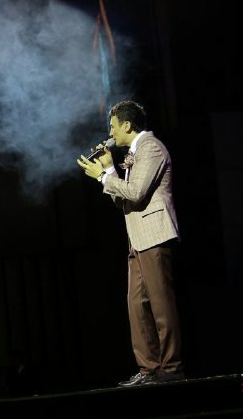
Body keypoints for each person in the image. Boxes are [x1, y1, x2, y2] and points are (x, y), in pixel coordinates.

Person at [76, 99, 185, 387]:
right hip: (137, 240)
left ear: (127, 125)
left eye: (113, 127)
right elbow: (123, 199)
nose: (110, 133)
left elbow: (136, 193)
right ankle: (148, 368)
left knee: (160, 305)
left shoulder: (151, 148)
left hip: (154, 236)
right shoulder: (135, 152)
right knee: (136, 306)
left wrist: (103, 176)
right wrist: (109, 171)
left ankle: (171, 368)